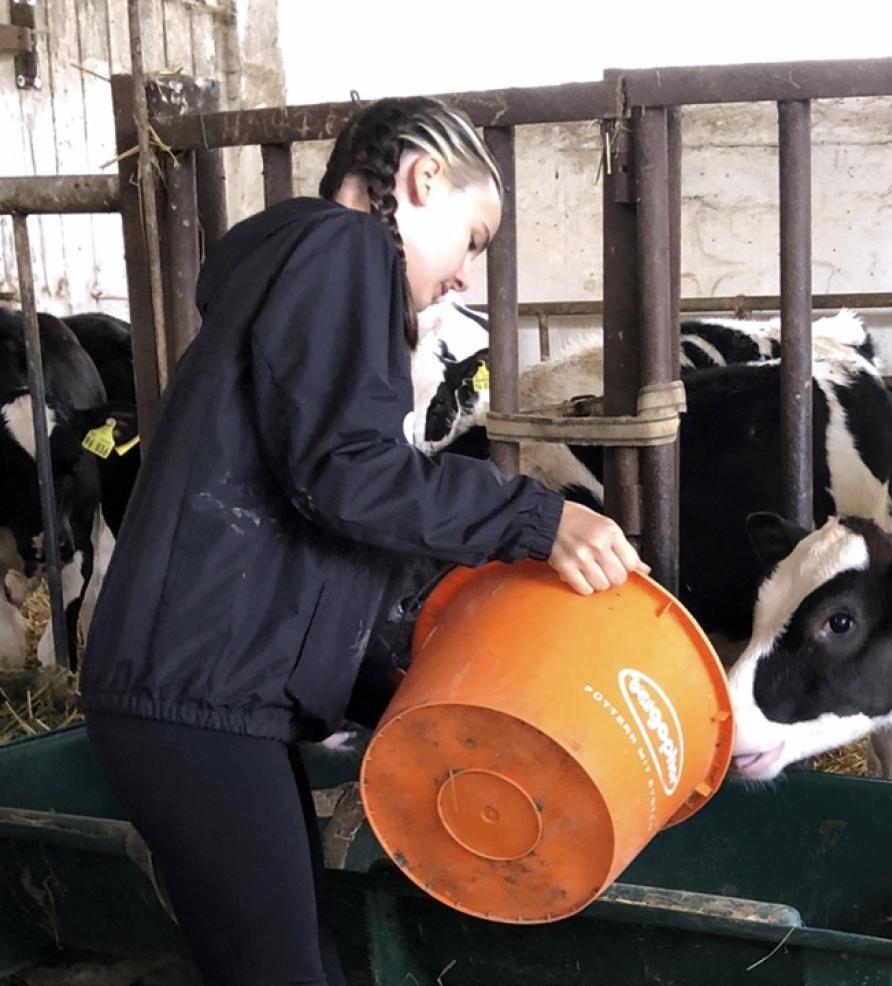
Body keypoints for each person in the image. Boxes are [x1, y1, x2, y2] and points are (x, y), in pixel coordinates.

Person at [77, 96, 646, 986]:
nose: (464, 275)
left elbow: (311, 507)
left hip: (209, 699)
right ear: (422, 179)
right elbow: (346, 472)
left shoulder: (299, 271)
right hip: (193, 699)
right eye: (473, 240)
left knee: (303, 965)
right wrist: (537, 517)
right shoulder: (342, 251)